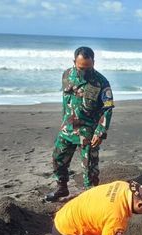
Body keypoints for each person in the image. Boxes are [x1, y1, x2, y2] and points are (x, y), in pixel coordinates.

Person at [46, 46, 114, 202]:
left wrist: (100, 132)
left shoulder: (101, 82)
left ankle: (90, 199)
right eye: (81, 67)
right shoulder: (66, 75)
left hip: (88, 132)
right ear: (74, 62)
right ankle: (61, 188)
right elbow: (66, 102)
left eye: (88, 68)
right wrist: (63, 122)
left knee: (89, 169)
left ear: (93, 63)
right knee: (58, 159)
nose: (85, 71)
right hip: (67, 128)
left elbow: (107, 109)